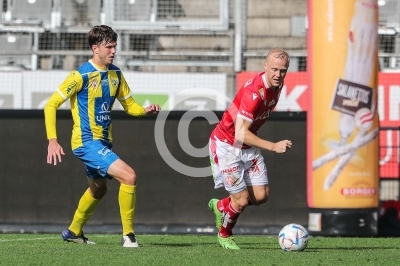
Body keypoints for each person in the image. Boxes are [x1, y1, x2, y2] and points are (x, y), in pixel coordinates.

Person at [44, 25, 161, 248]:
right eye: (109, 47)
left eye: (115, 46)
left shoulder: (116, 74)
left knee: (98, 189)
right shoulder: (80, 76)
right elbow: (51, 105)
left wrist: (144, 111)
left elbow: (130, 106)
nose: (113, 51)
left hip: (103, 141)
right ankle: (129, 235)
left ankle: (73, 232)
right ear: (95, 48)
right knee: (129, 176)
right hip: (86, 142)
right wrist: (52, 139)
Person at [208, 48, 292, 249]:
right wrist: (272, 146)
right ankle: (224, 234)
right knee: (242, 199)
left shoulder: (276, 86)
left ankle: (221, 206)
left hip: (246, 147)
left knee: (261, 196)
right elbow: (240, 133)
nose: (278, 75)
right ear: (265, 67)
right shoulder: (253, 93)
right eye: (274, 69)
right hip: (227, 145)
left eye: (283, 70)